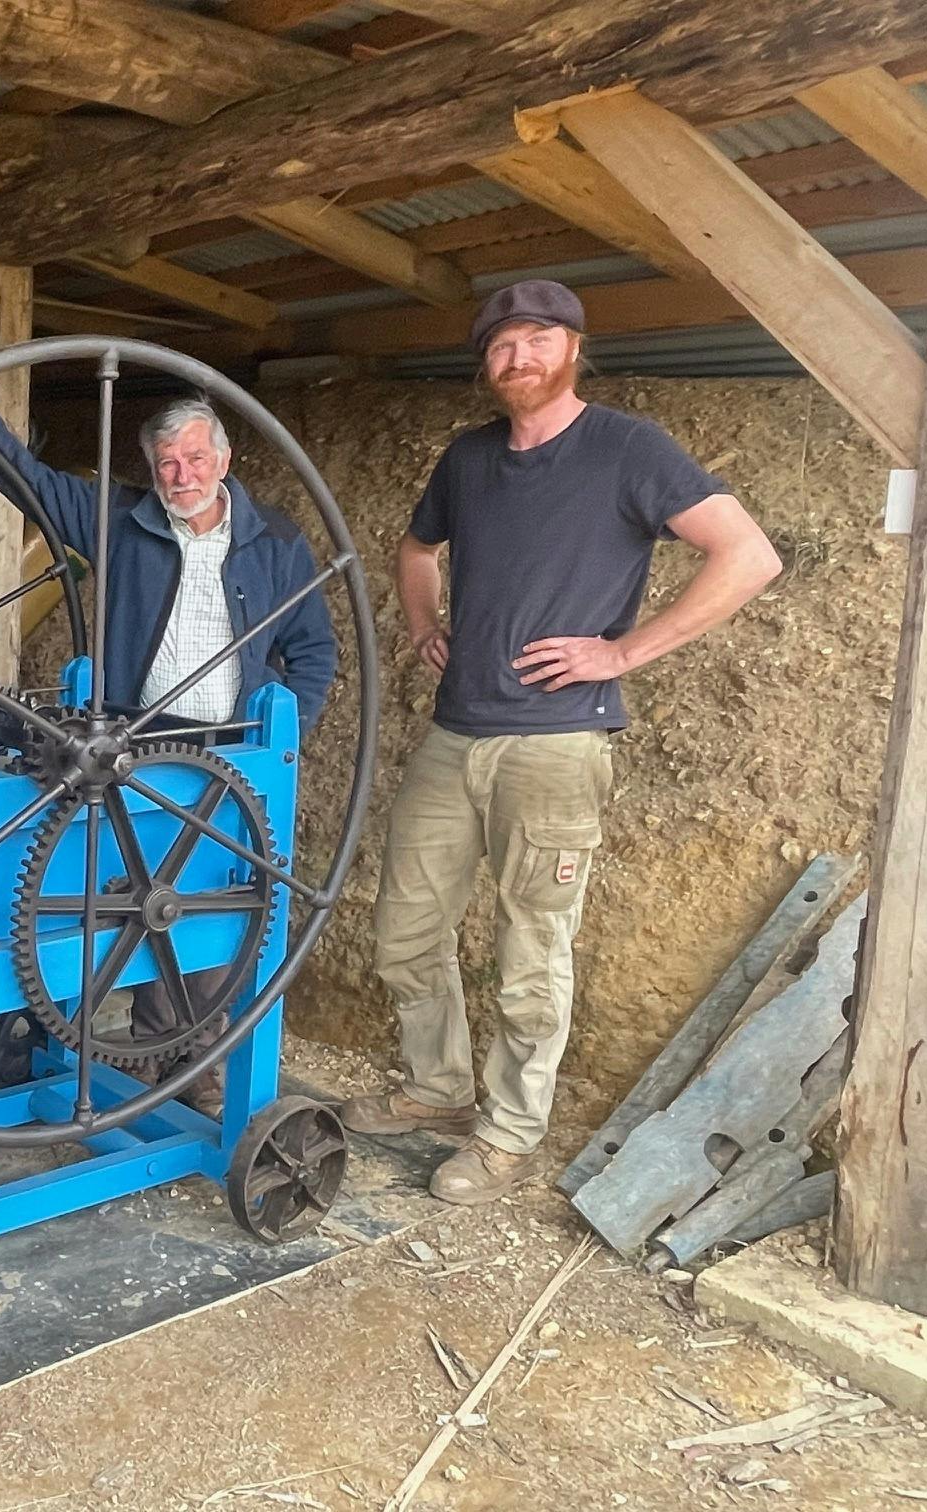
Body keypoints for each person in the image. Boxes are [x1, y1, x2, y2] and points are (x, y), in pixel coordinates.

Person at [341, 280, 782, 1205]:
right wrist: (426, 624)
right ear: (486, 365)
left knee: (531, 947)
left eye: (537, 339)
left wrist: (622, 650)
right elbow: (416, 551)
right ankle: (435, 1090)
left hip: (555, 745)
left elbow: (747, 555)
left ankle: (507, 1135)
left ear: (574, 348)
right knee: (405, 929)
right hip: (455, 734)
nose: (517, 357)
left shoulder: (628, 448)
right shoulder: (468, 461)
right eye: (500, 345)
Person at [0, 371, 338, 1092]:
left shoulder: (277, 543)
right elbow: (32, 483)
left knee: (217, 901)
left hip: (233, 747)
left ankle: (199, 1064)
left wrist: (285, 735)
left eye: (196, 459)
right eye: (167, 463)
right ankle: (148, 1053)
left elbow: (315, 650)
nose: (181, 475)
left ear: (224, 461)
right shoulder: (122, 521)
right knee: (140, 893)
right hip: (139, 743)